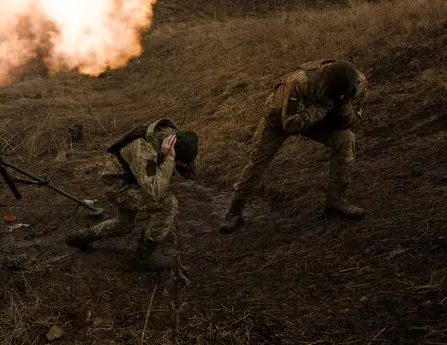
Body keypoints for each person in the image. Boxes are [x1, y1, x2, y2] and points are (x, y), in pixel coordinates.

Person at [219, 59, 369, 234]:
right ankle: (234, 212)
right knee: (257, 163)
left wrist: (342, 106)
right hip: (279, 119)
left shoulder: (359, 84)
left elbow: (351, 123)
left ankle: (336, 200)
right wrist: (321, 108)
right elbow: (289, 124)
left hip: (317, 118)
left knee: (346, 139)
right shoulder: (299, 81)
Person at [64, 119, 199, 269]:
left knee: (125, 225)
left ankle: (84, 236)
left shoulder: (174, 138)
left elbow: (193, 169)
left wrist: (180, 159)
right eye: (179, 162)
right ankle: (144, 255)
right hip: (119, 187)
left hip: (133, 180)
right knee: (168, 203)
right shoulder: (144, 150)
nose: (180, 167)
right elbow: (153, 192)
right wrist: (169, 160)